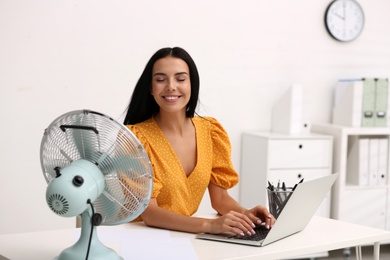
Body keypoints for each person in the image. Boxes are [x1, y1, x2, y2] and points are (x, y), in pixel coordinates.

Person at [123, 47, 275, 237]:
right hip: (139, 237)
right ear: (151, 88)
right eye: (161, 79)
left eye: (180, 79)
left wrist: (247, 215)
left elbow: (219, 199)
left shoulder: (210, 131)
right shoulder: (135, 139)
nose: (171, 86)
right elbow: (150, 214)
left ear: (192, 85)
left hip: (183, 237)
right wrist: (209, 225)